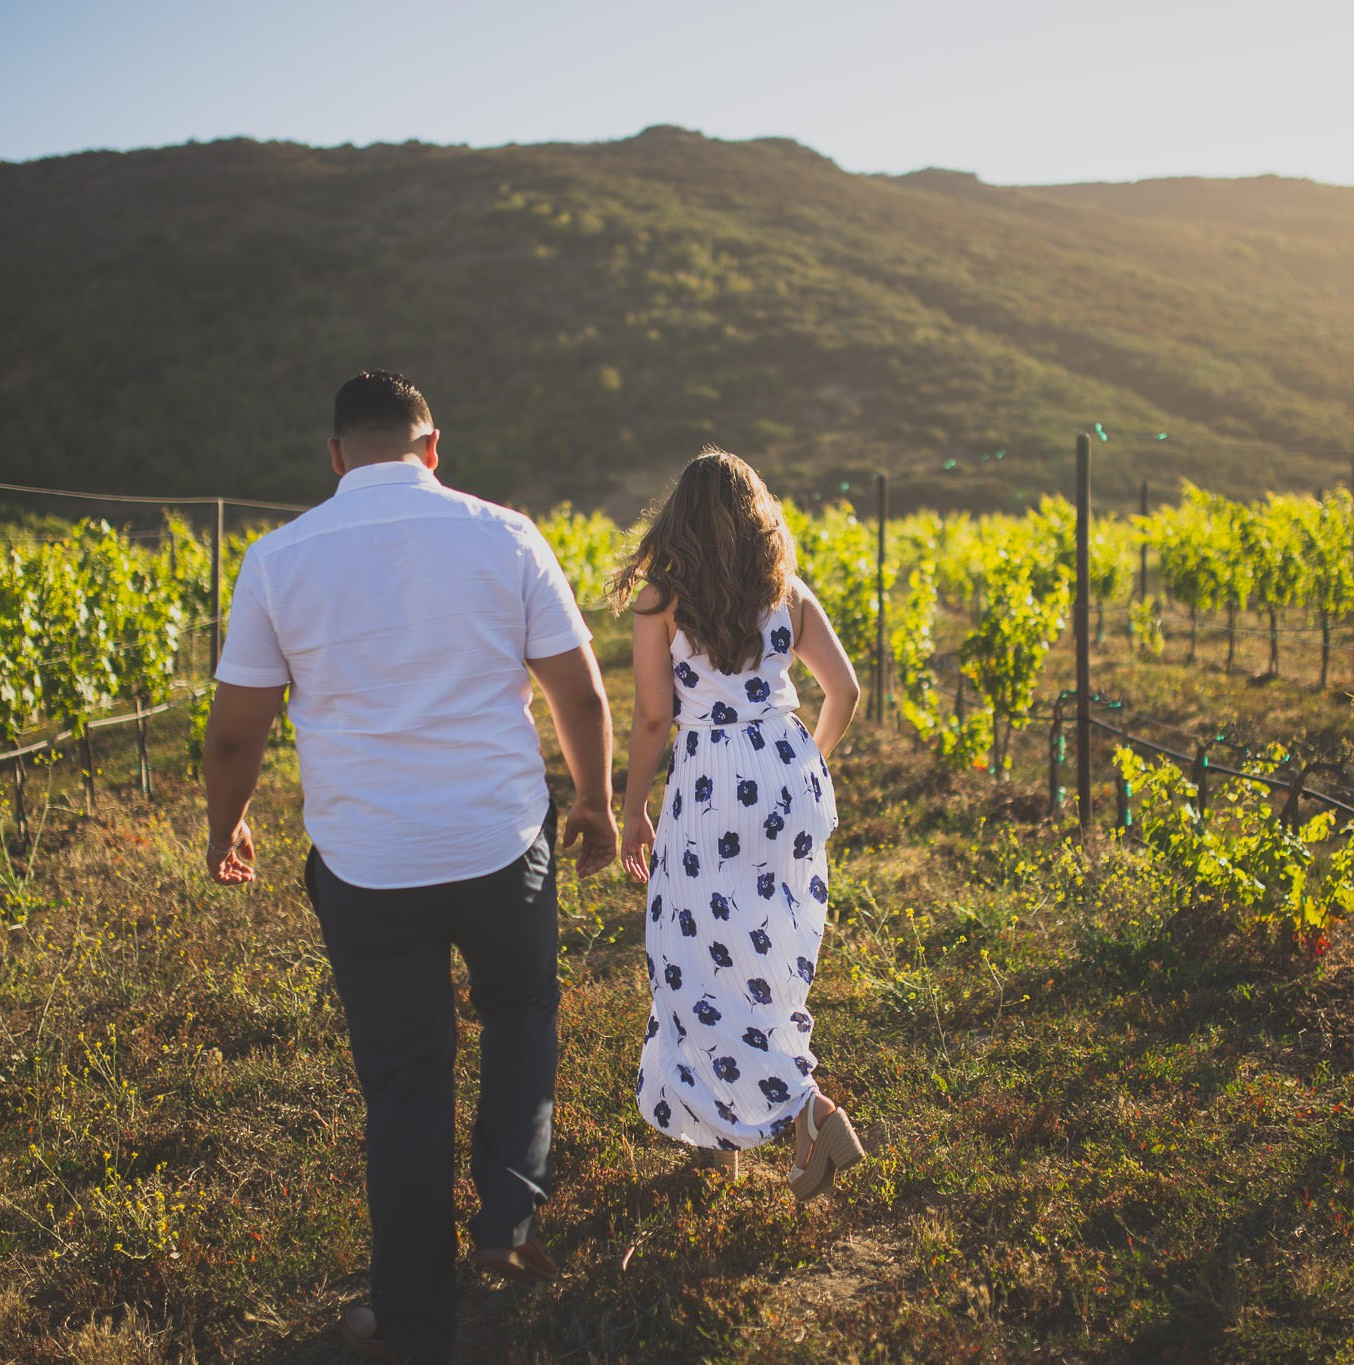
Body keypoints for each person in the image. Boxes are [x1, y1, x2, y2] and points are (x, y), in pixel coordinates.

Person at [200, 371, 617, 1365]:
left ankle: (413, 1321)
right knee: (521, 1013)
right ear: (433, 448)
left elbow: (233, 734)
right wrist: (596, 803)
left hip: (367, 863)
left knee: (403, 1084)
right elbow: (579, 693)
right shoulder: (506, 534)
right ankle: (509, 1218)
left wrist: (228, 827)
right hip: (498, 841)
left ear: (336, 458)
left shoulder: (276, 558)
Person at [611, 449, 865, 1199]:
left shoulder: (662, 601)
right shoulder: (787, 595)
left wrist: (632, 808)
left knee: (688, 955)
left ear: (677, 519)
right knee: (767, 958)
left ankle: (806, 1109)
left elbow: (655, 716)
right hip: (785, 772)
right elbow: (843, 689)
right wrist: (802, 764)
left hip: (712, 784)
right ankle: (724, 1130)